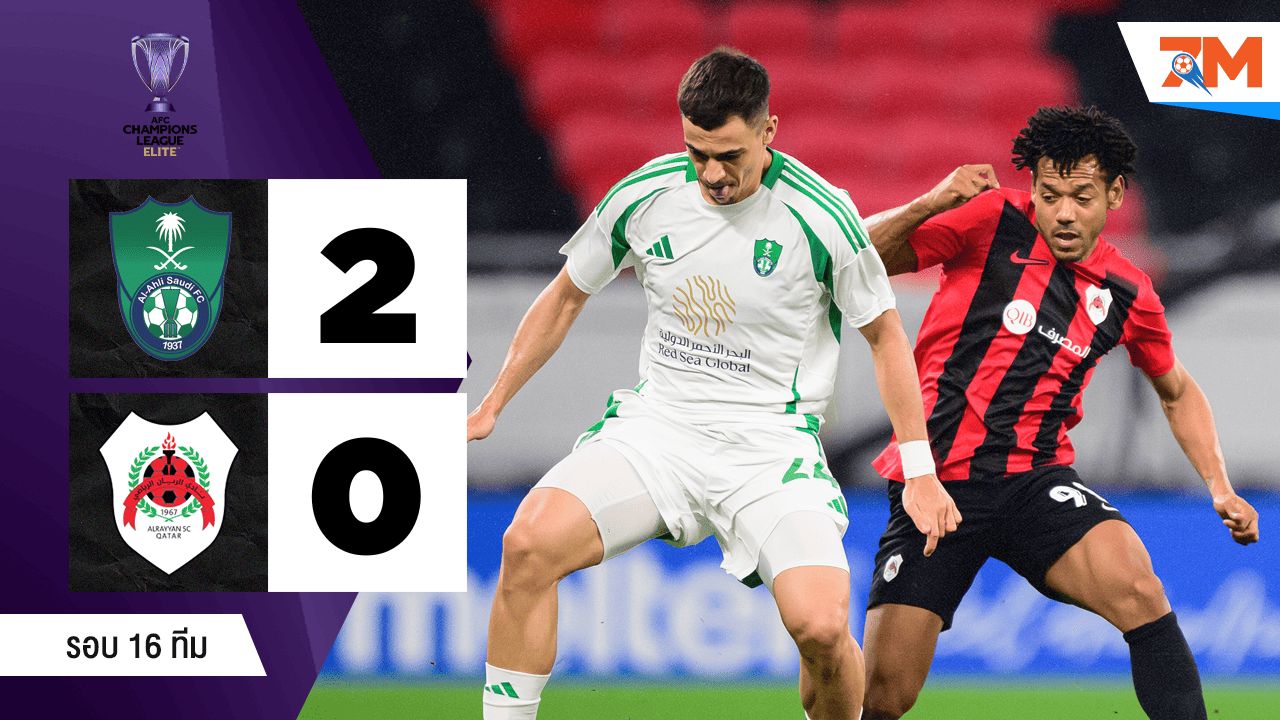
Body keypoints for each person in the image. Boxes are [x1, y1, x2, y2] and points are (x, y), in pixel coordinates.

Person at [466, 47, 960, 720]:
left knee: (820, 628)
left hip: (769, 448)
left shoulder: (822, 215)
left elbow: (886, 337)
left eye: (730, 155)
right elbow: (565, 296)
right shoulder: (646, 195)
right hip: (659, 432)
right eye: (697, 153)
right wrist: (493, 402)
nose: (712, 174)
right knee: (527, 545)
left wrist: (921, 470)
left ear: (768, 131)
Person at [859, 105, 1261, 720]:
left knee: (1141, 590)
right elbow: (861, 259)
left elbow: (1176, 390)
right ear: (1033, 188)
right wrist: (930, 202)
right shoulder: (992, 220)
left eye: (1082, 197)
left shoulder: (1128, 292)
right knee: (884, 696)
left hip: (1034, 482)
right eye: (1050, 196)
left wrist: (1219, 486)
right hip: (935, 483)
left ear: (1114, 194)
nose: (1064, 213)